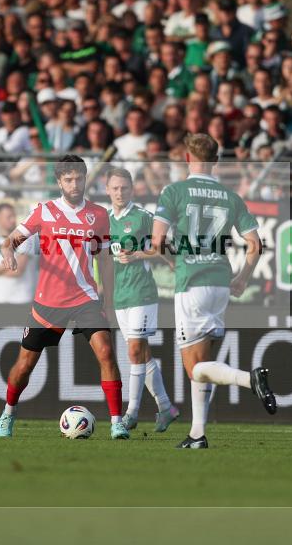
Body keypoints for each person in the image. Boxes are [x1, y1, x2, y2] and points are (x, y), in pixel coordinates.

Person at [150, 133, 275, 449]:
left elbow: (157, 240)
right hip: (220, 281)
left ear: (187, 158)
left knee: (194, 368)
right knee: (202, 362)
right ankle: (197, 434)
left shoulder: (174, 192)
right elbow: (255, 245)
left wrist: (172, 262)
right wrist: (242, 278)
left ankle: (248, 378)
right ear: (216, 161)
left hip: (191, 282)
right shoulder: (230, 197)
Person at [0, 155, 129, 440]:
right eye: (68, 179)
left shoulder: (99, 215)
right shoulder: (44, 211)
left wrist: (109, 300)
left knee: (106, 352)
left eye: (79, 178)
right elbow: (10, 241)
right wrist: (8, 252)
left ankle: (117, 422)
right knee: (25, 365)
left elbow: (105, 259)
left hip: (85, 298)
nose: (74, 184)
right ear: (59, 182)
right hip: (48, 302)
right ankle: (8, 412)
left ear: (85, 179)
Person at [105, 167, 179, 432]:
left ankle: (131, 413)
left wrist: (139, 254)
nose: (120, 192)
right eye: (115, 188)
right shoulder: (104, 220)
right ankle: (166, 407)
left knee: (134, 351)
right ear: (107, 190)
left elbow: (165, 247)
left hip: (142, 292)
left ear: (132, 189)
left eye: (124, 188)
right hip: (120, 295)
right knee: (142, 353)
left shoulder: (143, 217)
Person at [0, 202, 38, 304]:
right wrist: (10, 264)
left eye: (14, 216)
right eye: (9, 217)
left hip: (21, 299)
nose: (13, 220)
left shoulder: (26, 238)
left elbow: (18, 271)